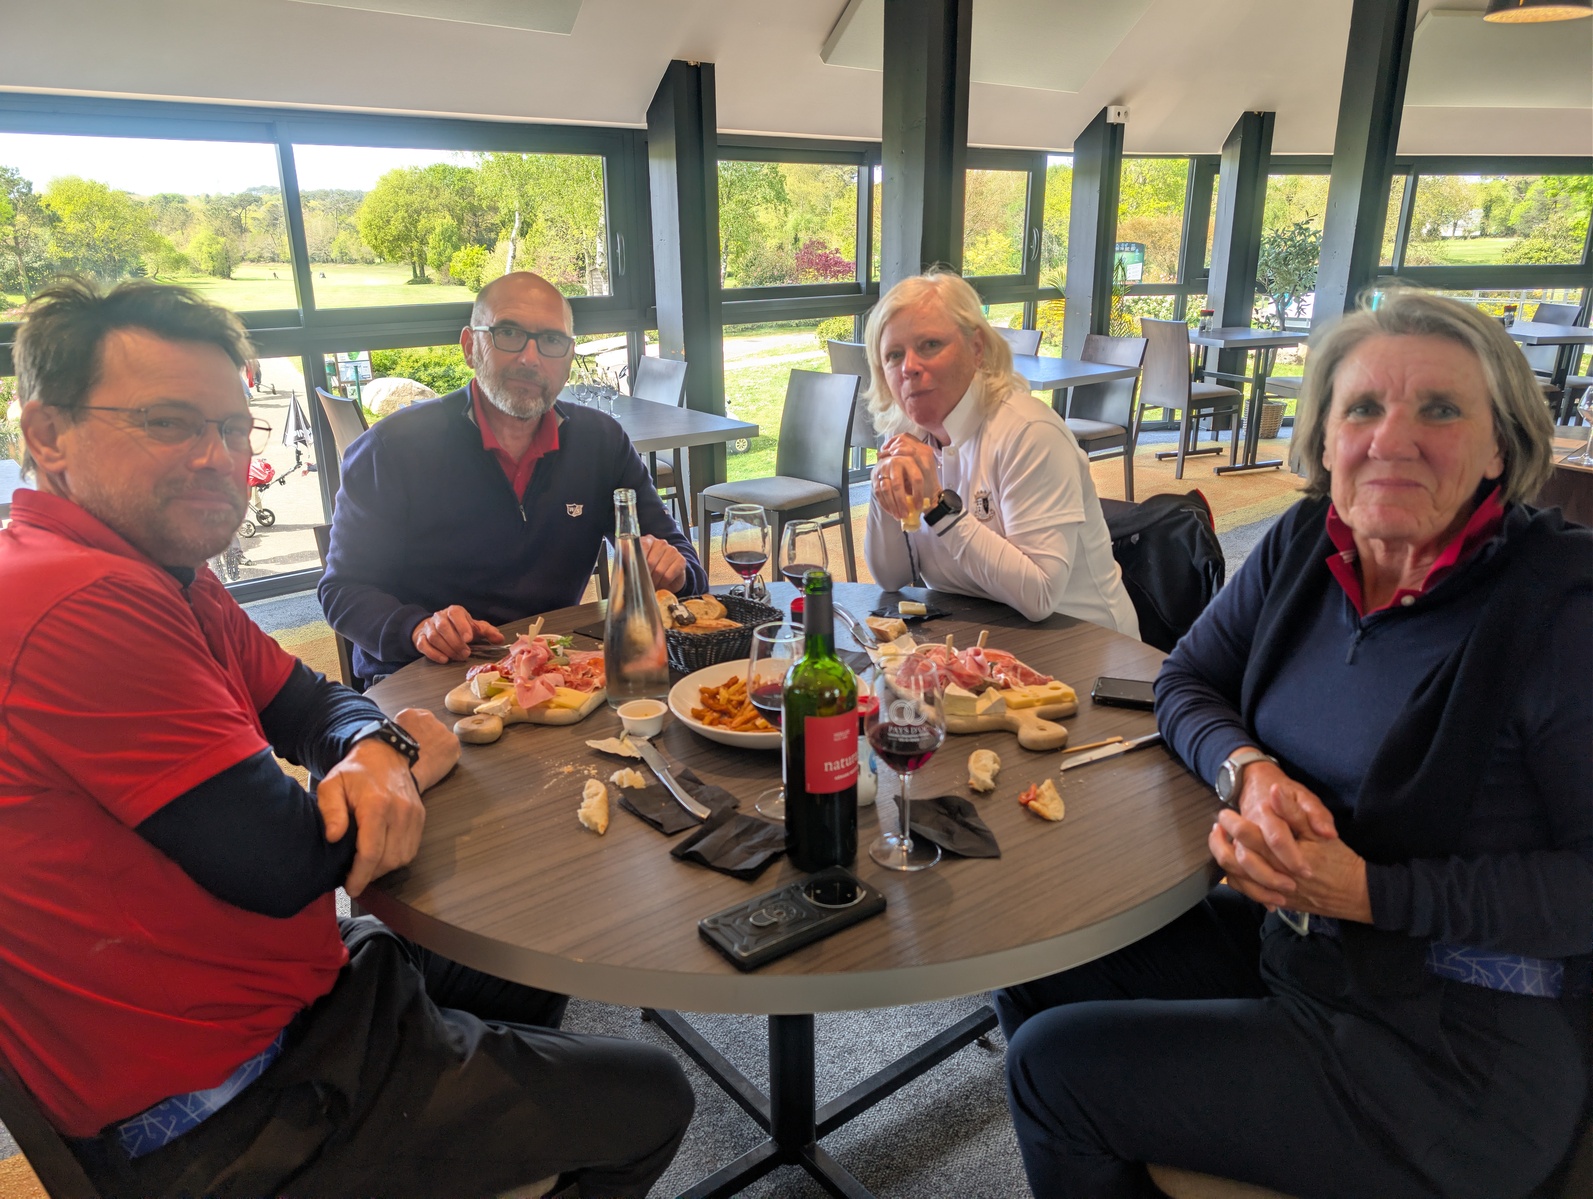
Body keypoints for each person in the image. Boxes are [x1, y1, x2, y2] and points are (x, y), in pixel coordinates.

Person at [0, 278, 694, 1198]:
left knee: (514, 953)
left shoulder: (168, 574)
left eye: (233, 427)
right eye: (168, 422)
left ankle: (475, 1101)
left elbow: (314, 704)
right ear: (47, 435)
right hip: (234, 1103)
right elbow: (288, 860)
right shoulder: (80, 605)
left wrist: (377, 747)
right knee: (652, 1095)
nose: (216, 457)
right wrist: (404, 744)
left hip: (301, 992)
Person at [998, 288, 1590, 1199]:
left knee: (1054, 1068)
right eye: (1362, 407)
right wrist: (1250, 773)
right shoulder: (1307, 542)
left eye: (1439, 409)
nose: (1390, 439)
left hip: (1454, 1043)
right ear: (1322, 436)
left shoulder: (1560, 610)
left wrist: (1369, 892)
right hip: (1304, 955)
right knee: (1039, 961)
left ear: (1499, 448)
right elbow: (1184, 681)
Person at [320, 270, 707, 683]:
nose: (530, 357)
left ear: (569, 358)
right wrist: (415, 628)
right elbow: (343, 589)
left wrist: (675, 571)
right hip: (424, 673)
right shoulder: (390, 449)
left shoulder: (601, 442)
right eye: (508, 333)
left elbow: (687, 567)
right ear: (470, 347)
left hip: (553, 668)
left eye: (552, 340)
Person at [862, 270, 1138, 635]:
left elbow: (1040, 597)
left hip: (1086, 645)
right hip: (980, 637)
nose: (909, 367)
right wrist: (885, 488)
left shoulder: (1029, 432)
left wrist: (939, 507)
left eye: (930, 345)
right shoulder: (906, 436)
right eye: (894, 355)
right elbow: (891, 577)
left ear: (976, 349)